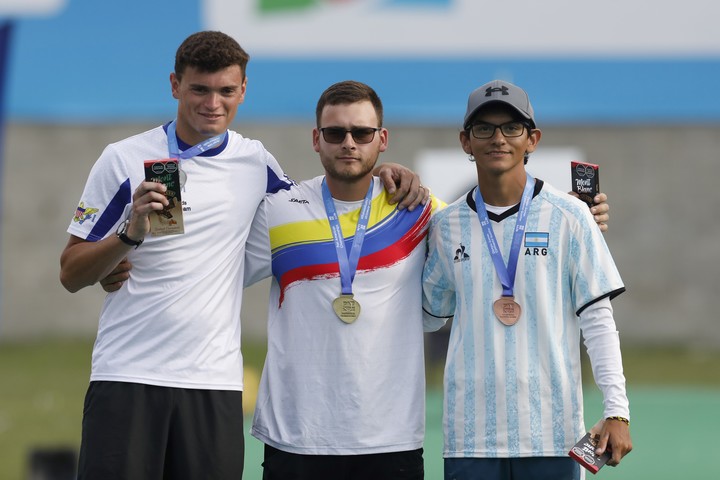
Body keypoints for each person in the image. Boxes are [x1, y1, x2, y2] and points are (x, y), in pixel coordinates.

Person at [59, 32, 422, 480]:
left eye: (226, 91)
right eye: (200, 89)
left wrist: (383, 172)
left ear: (243, 91)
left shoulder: (257, 164)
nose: (213, 103)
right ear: (175, 85)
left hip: (214, 384)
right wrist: (127, 239)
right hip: (127, 375)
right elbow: (72, 272)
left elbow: (322, 206)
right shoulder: (123, 158)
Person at [422, 79, 632, 480]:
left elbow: (598, 321)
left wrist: (617, 410)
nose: (498, 138)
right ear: (465, 141)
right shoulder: (444, 226)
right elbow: (428, 315)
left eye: (511, 128)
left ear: (532, 139)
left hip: (553, 437)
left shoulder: (571, 216)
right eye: (484, 128)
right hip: (471, 438)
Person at [242, 80, 443, 479]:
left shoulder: (419, 208)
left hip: (391, 439)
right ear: (317, 139)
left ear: (381, 139)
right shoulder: (279, 210)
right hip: (296, 437)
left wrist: (577, 215)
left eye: (362, 133)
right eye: (335, 133)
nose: (349, 143)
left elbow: (492, 229)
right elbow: (210, 269)